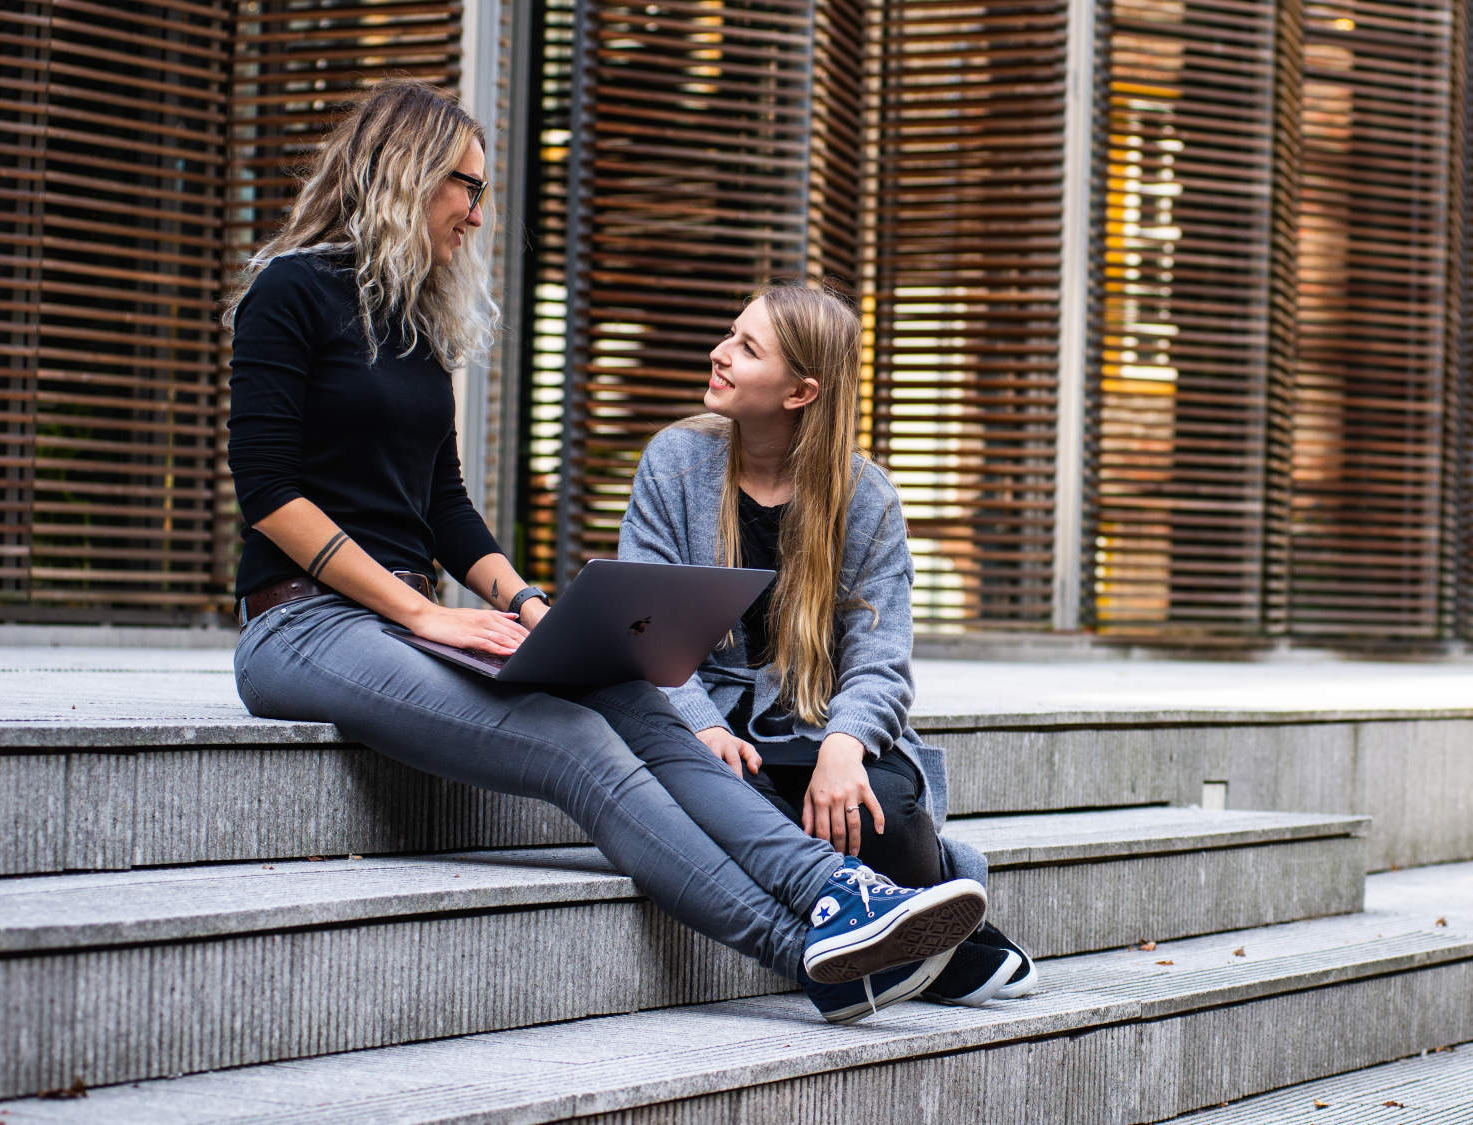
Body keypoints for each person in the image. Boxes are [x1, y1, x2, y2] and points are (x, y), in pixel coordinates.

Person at [222, 81, 985, 1026]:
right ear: (407, 172)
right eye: (468, 184)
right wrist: (421, 610)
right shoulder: (289, 291)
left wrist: (540, 613)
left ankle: (837, 892)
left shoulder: (416, 326)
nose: (477, 209)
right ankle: (807, 954)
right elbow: (268, 494)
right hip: (304, 625)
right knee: (576, 742)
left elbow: (448, 510)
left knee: (630, 693)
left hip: (411, 622)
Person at [617, 283, 1035, 1006]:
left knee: (887, 809)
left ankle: (914, 920)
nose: (719, 353)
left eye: (747, 348)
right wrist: (702, 723)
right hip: (709, 724)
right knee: (725, 798)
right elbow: (642, 622)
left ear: (800, 391)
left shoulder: (865, 495)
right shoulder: (675, 461)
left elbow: (881, 656)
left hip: (815, 725)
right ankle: (951, 947)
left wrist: (845, 745)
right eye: (730, 333)